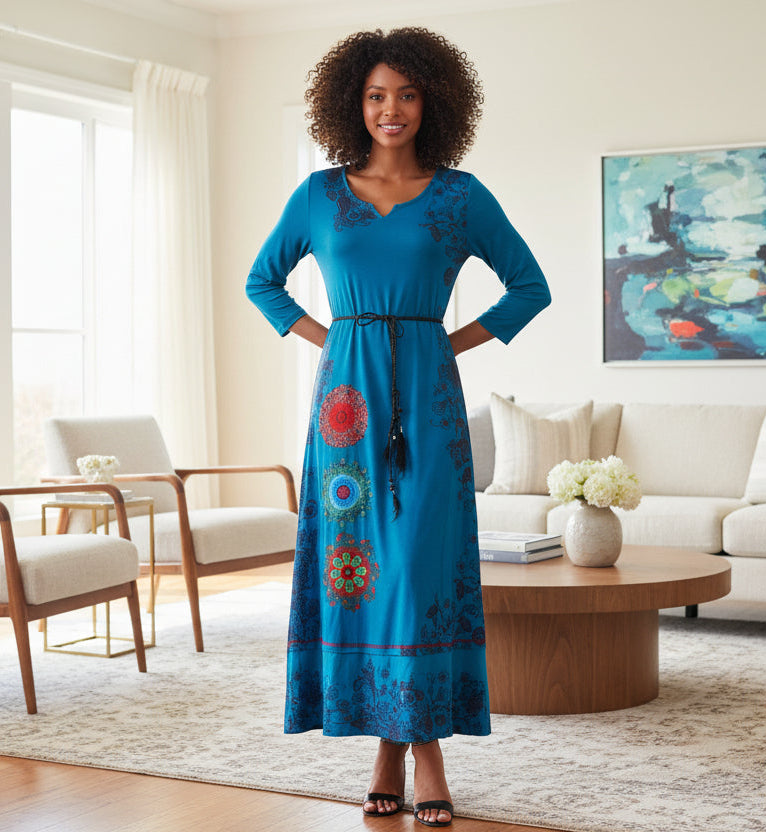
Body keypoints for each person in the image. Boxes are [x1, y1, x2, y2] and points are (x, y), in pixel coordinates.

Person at [246, 27, 551, 828]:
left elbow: (529, 286)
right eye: (378, 94)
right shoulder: (318, 195)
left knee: (419, 571)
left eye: (407, 95)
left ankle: (424, 752)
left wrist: (441, 342)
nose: (391, 109)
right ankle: (390, 749)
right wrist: (335, 340)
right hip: (344, 412)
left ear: (432, 103)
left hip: (429, 403)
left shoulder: (461, 196)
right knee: (360, 574)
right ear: (355, 101)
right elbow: (263, 280)